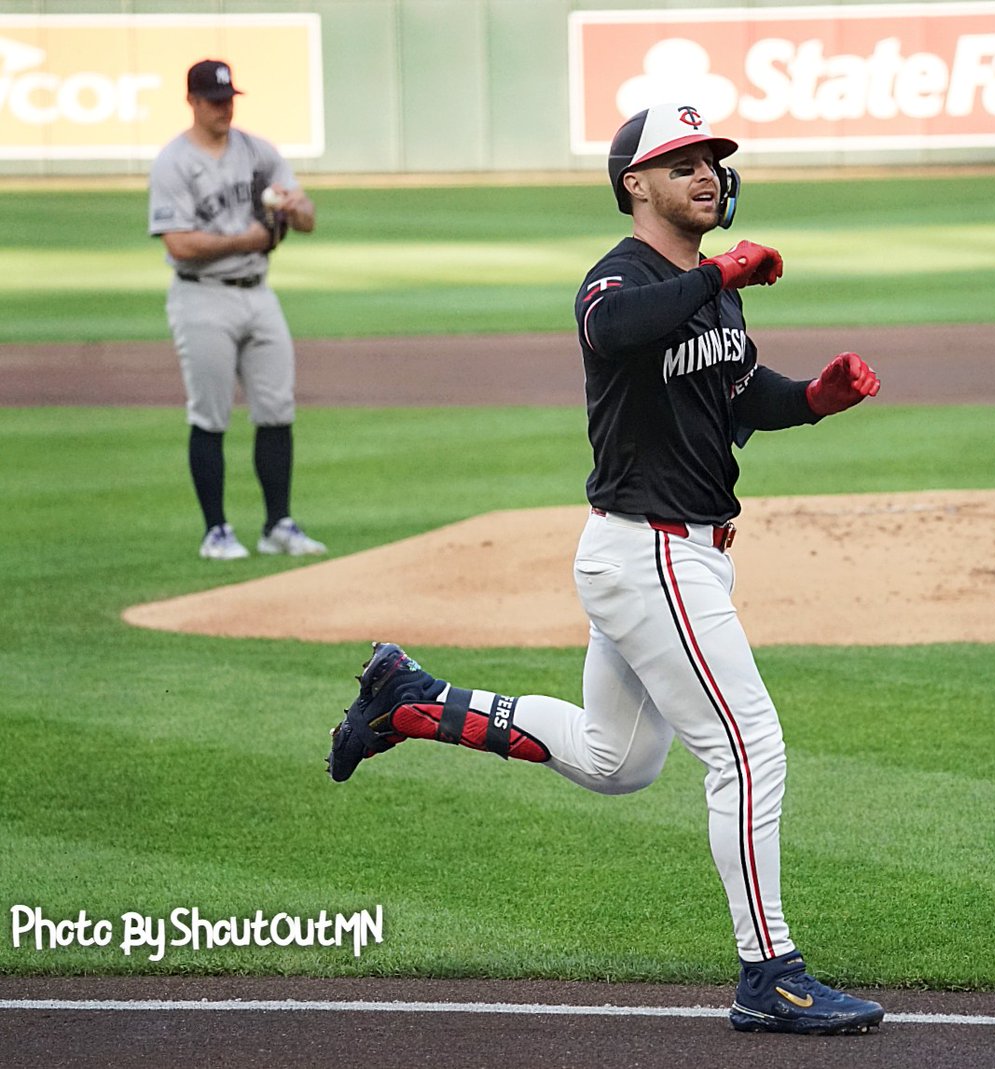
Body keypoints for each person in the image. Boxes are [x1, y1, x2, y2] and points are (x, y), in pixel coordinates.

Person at [326, 103, 884, 1036]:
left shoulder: (712, 289)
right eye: (683, 163)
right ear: (636, 184)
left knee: (619, 759)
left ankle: (411, 699)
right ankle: (769, 973)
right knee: (748, 752)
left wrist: (815, 399)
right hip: (651, 553)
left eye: (713, 160)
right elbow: (616, 331)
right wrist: (717, 274)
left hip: (673, 556)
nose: (707, 174)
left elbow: (737, 397)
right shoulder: (618, 279)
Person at [148, 59, 325, 561]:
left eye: (228, 99)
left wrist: (297, 208)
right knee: (210, 415)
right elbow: (179, 245)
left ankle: (278, 524)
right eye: (214, 100)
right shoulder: (174, 162)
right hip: (201, 295)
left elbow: (308, 217)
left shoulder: (257, 151)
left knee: (277, 409)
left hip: (258, 292)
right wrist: (248, 238)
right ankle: (217, 531)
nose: (224, 108)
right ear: (192, 102)